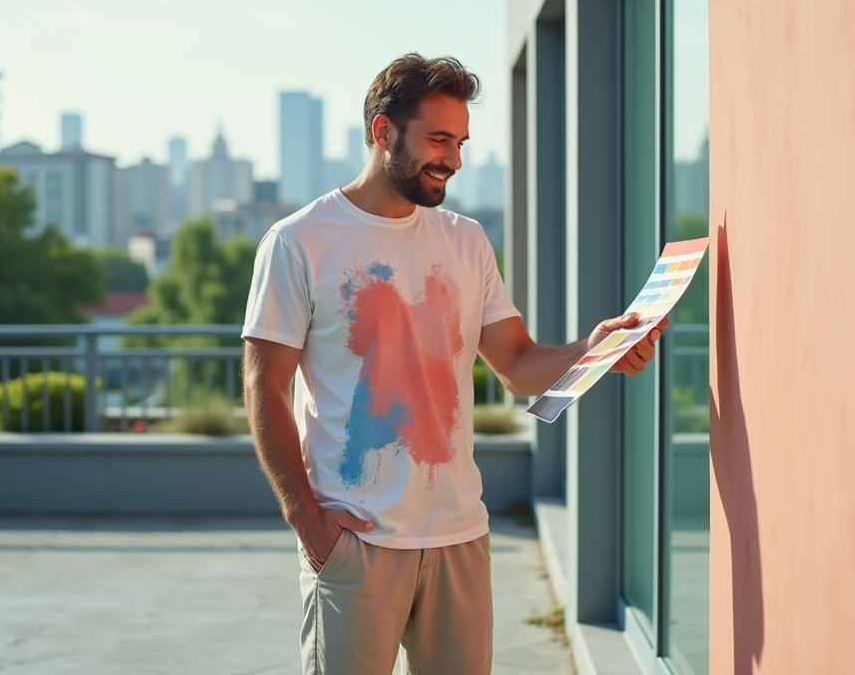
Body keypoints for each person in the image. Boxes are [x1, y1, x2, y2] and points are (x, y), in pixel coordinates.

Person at [242, 53, 665, 675]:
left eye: (461, 141)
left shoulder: (465, 240)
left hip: (459, 535)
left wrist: (593, 348)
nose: (454, 158)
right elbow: (264, 385)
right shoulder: (299, 241)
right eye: (438, 139)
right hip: (357, 542)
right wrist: (307, 520)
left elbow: (518, 365)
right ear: (383, 131)